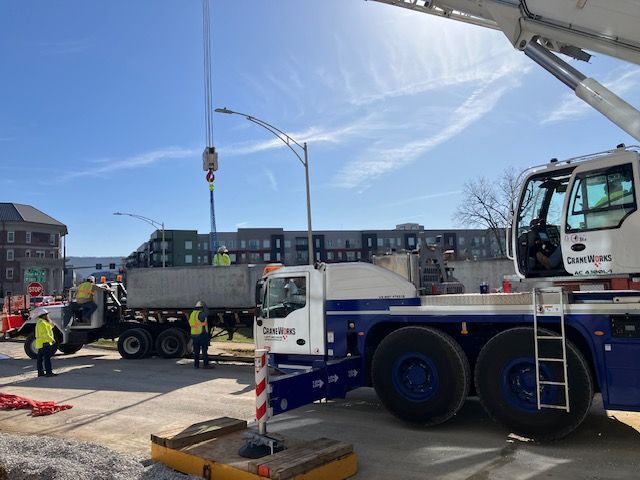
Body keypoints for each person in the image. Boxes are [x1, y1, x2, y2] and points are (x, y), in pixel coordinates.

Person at [34, 307, 57, 377]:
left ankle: (40, 372)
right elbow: (45, 334)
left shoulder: (40, 322)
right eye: (46, 315)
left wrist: (50, 322)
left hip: (41, 343)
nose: (47, 316)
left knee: (40, 359)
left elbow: (51, 327)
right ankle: (48, 372)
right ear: (43, 315)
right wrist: (52, 340)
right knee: (47, 359)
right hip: (45, 342)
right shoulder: (43, 323)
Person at [189, 301, 212, 369]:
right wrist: (205, 305)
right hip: (201, 334)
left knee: (196, 350)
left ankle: (196, 365)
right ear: (201, 308)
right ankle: (205, 364)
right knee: (204, 350)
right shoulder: (200, 314)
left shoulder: (192, 314)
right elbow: (207, 313)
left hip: (194, 334)